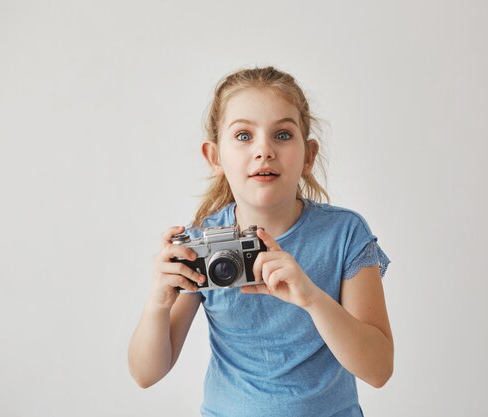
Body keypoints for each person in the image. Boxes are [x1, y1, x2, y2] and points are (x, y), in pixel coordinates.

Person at [128, 66, 393, 417]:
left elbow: (378, 370)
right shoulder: (199, 245)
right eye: (243, 136)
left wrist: (312, 298)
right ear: (214, 156)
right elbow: (146, 374)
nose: (264, 150)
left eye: (282, 135)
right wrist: (157, 303)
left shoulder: (344, 234)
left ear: (309, 156)